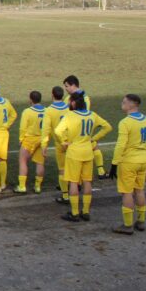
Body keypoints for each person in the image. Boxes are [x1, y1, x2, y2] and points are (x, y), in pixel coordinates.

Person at [55, 92, 112, 222]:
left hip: (74, 152)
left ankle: (75, 213)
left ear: (74, 103)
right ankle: (85, 211)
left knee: (74, 182)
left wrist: (64, 141)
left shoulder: (70, 115)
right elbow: (107, 127)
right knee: (87, 181)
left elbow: (58, 131)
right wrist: (94, 139)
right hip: (88, 151)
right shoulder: (92, 115)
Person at [110, 94, 146, 235]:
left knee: (127, 192)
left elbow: (120, 145)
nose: (122, 104)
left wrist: (114, 164)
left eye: (124, 102)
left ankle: (127, 225)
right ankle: (141, 222)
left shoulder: (125, 122)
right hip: (143, 159)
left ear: (131, 105)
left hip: (129, 161)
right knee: (139, 190)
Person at [63, 75, 107, 179]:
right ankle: (100, 171)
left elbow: (80, 114)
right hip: (83, 128)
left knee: (75, 156)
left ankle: (74, 182)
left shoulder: (78, 99)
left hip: (76, 130)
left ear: (73, 85)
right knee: (93, 145)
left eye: (67, 86)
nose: (66, 88)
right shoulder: (81, 97)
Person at [44, 87, 71, 204]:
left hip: (60, 143)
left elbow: (46, 129)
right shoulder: (69, 107)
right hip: (71, 142)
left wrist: (44, 145)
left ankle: (65, 196)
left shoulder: (49, 110)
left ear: (52, 95)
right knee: (74, 168)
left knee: (62, 170)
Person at [16, 91, 47, 194]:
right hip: (41, 140)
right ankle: (37, 186)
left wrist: (21, 139)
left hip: (29, 139)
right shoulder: (46, 111)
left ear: (30, 99)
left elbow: (22, 128)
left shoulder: (27, 112)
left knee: (23, 161)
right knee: (40, 162)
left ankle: (22, 186)